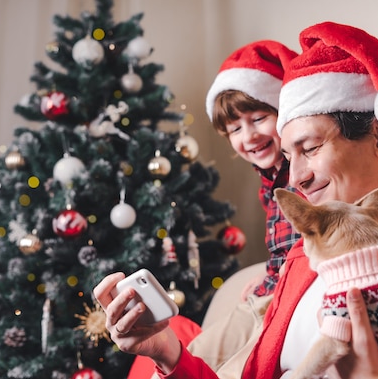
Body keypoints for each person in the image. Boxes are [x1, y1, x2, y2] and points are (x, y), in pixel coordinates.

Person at [95, 21, 378, 378]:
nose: (296, 176)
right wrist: (167, 353)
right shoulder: (301, 262)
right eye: (288, 153)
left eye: (310, 148)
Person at [124, 39, 303, 379]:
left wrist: (276, 286)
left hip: (284, 304)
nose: (248, 136)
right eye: (235, 128)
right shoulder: (269, 180)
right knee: (187, 358)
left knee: (231, 370)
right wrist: (267, 279)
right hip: (266, 296)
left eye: (259, 118)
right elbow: (283, 252)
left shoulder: (302, 173)